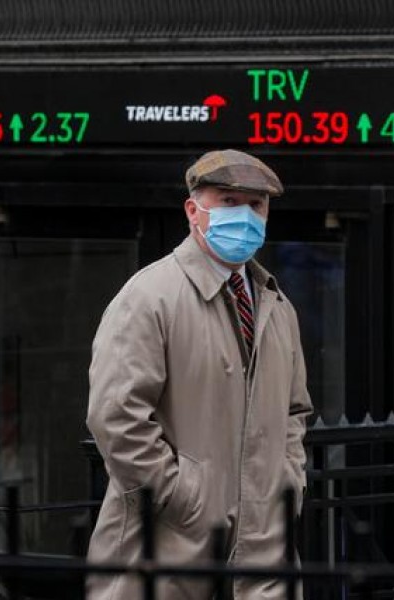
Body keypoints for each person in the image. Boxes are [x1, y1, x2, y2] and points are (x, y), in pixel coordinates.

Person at [86, 149, 313, 599]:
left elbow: (294, 411)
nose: (245, 215)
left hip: (264, 554)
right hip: (167, 554)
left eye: (256, 204)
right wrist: (184, 498)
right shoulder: (149, 297)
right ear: (193, 210)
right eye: (229, 201)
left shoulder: (277, 305)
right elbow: (116, 417)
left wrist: (287, 482)